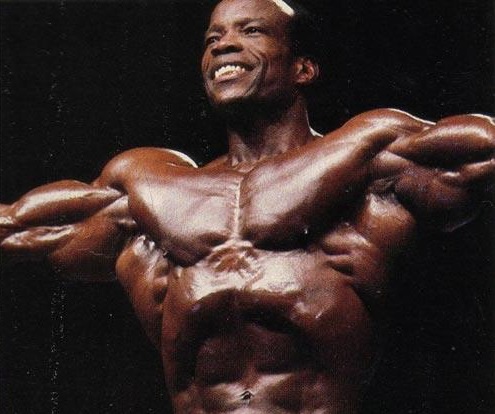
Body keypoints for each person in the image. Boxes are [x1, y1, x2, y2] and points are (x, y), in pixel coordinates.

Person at [1, 0, 494, 412]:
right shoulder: (147, 188)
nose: (222, 44)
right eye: (212, 37)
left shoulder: (367, 156)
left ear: (303, 67)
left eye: (250, 30)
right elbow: (15, 227)